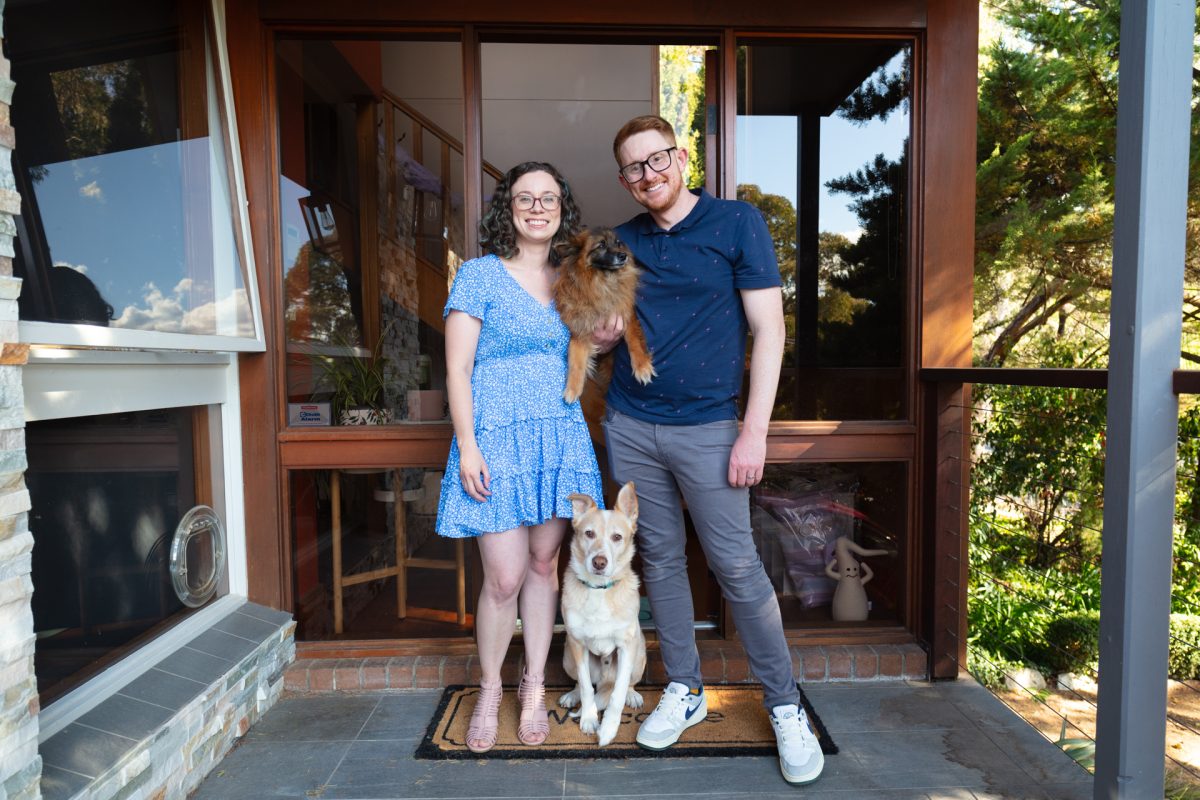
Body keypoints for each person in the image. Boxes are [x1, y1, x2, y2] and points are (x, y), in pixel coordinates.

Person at [595, 115, 824, 786]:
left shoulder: (736, 223)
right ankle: (686, 690)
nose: (649, 174)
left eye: (657, 159)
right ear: (624, 180)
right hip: (632, 424)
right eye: (635, 168)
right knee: (662, 560)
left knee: (736, 567)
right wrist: (603, 336)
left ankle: (785, 706)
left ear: (681, 157)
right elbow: (599, 327)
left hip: (711, 427)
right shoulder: (621, 242)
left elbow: (770, 331)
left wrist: (754, 430)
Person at [435, 161, 604, 754]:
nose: (537, 207)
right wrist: (469, 447)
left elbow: (597, 343)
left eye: (549, 198)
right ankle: (490, 688)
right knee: (502, 578)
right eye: (525, 198)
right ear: (508, 208)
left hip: (558, 436)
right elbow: (457, 368)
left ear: (562, 208)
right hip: (496, 439)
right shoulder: (480, 275)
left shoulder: (572, 278)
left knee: (543, 566)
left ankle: (532, 688)